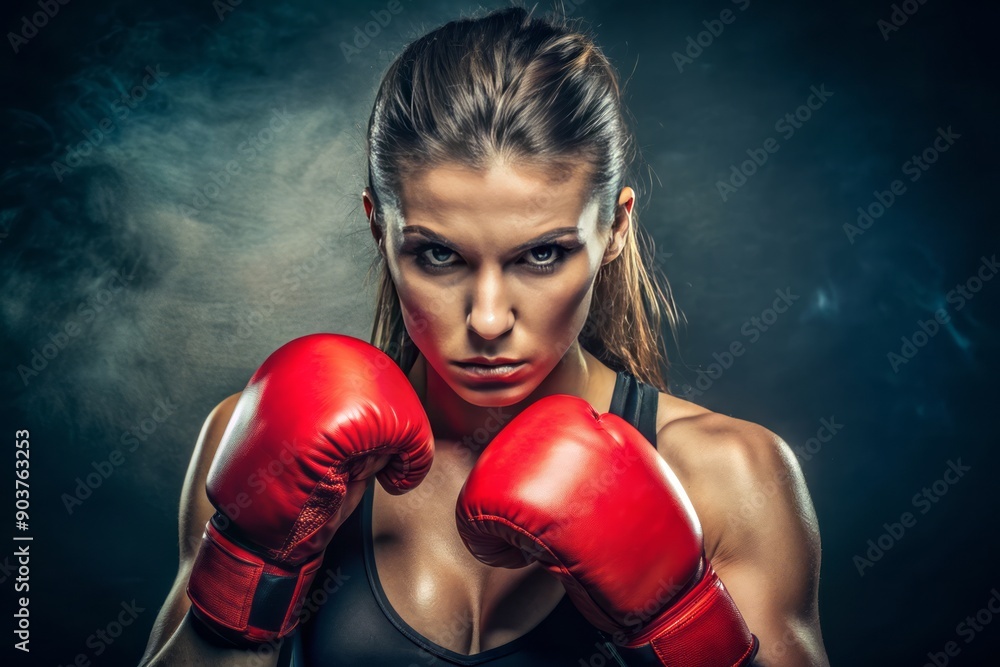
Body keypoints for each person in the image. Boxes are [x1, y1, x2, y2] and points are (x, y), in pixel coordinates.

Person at [138, 6, 829, 666]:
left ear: (615, 228)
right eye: (439, 255)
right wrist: (253, 572)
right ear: (380, 226)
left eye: (542, 254)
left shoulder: (729, 477)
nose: (490, 319)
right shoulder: (253, 441)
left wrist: (684, 626)